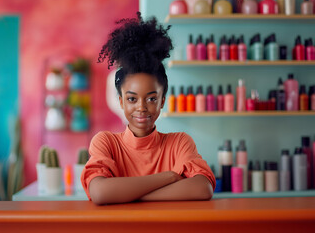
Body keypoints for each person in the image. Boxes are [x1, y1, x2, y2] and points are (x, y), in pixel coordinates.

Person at [81, 12, 215, 205]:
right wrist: (168, 177)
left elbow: (203, 188)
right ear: (121, 102)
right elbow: (100, 193)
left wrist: (127, 195)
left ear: (162, 101)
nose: (142, 107)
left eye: (151, 98)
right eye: (132, 99)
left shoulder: (179, 143)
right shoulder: (106, 142)